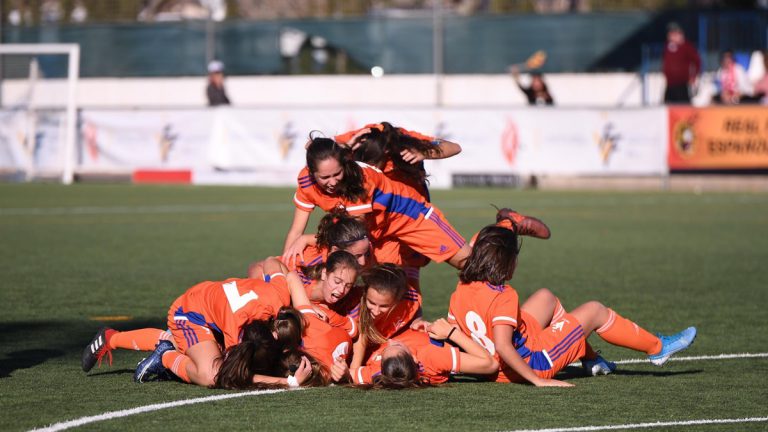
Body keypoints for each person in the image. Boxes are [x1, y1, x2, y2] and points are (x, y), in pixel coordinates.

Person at [447, 224, 698, 386]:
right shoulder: (504, 295)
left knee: (546, 297)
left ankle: (591, 360)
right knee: (595, 310)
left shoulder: (461, 290)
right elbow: (502, 345)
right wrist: (538, 380)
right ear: (506, 262)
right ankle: (657, 348)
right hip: (533, 362)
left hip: (502, 359)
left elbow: (455, 332)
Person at [284, 137, 472, 270]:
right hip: (375, 232)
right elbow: (295, 231)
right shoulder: (305, 181)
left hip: (410, 216)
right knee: (384, 288)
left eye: (337, 174)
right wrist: (285, 266)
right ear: (311, 172)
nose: (332, 182)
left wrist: (307, 239)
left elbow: (353, 234)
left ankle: (494, 239)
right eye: (324, 177)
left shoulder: (358, 179)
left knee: (469, 264)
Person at [349, 318, 499, 388]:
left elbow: (351, 373)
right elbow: (490, 364)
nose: (392, 342)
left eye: (386, 350)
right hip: (465, 334)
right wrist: (451, 332)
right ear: (414, 359)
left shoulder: (378, 370)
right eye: (399, 346)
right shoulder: (431, 358)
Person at [334, 122, 463, 201]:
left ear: (386, 153)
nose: (369, 171)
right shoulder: (359, 137)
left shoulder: (402, 141)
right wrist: (345, 147)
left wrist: (424, 152)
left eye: (373, 165)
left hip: (415, 209)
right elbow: (316, 148)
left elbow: (455, 147)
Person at [662, 22, 701, 104]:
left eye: (674, 33)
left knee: (683, 106)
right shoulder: (667, 47)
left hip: (682, 84)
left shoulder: (686, 46)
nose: (671, 36)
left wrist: (693, 76)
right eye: (670, 33)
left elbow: (697, 61)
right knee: (668, 105)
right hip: (670, 84)